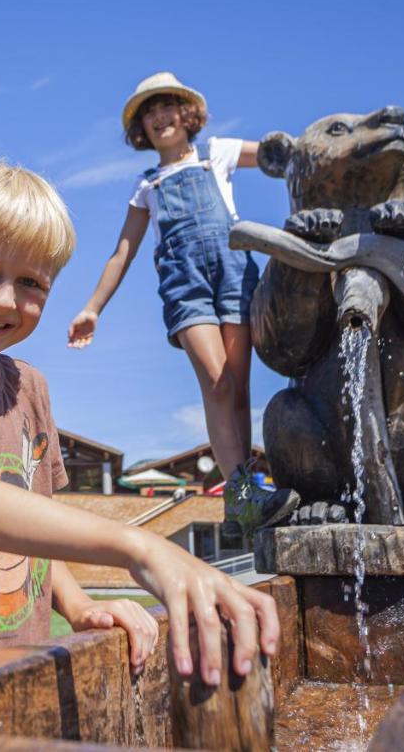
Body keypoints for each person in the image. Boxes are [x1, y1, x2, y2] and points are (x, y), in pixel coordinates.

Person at [0, 161, 279, 691]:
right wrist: (140, 546)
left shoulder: (31, 388)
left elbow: (31, 527)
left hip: (13, 680)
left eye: (30, 283)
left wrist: (78, 604)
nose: (3, 300)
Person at [68, 72, 299, 532]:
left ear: (186, 114)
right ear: (142, 129)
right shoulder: (147, 185)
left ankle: (243, 500)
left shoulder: (220, 154)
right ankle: (240, 489)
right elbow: (123, 252)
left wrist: (312, 146)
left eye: (166, 107)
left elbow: (281, 154)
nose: (158, 117)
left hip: (235, 273)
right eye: (149, 113)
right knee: (216, 383)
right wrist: (93, 307)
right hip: (185, 284)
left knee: (238, 388)